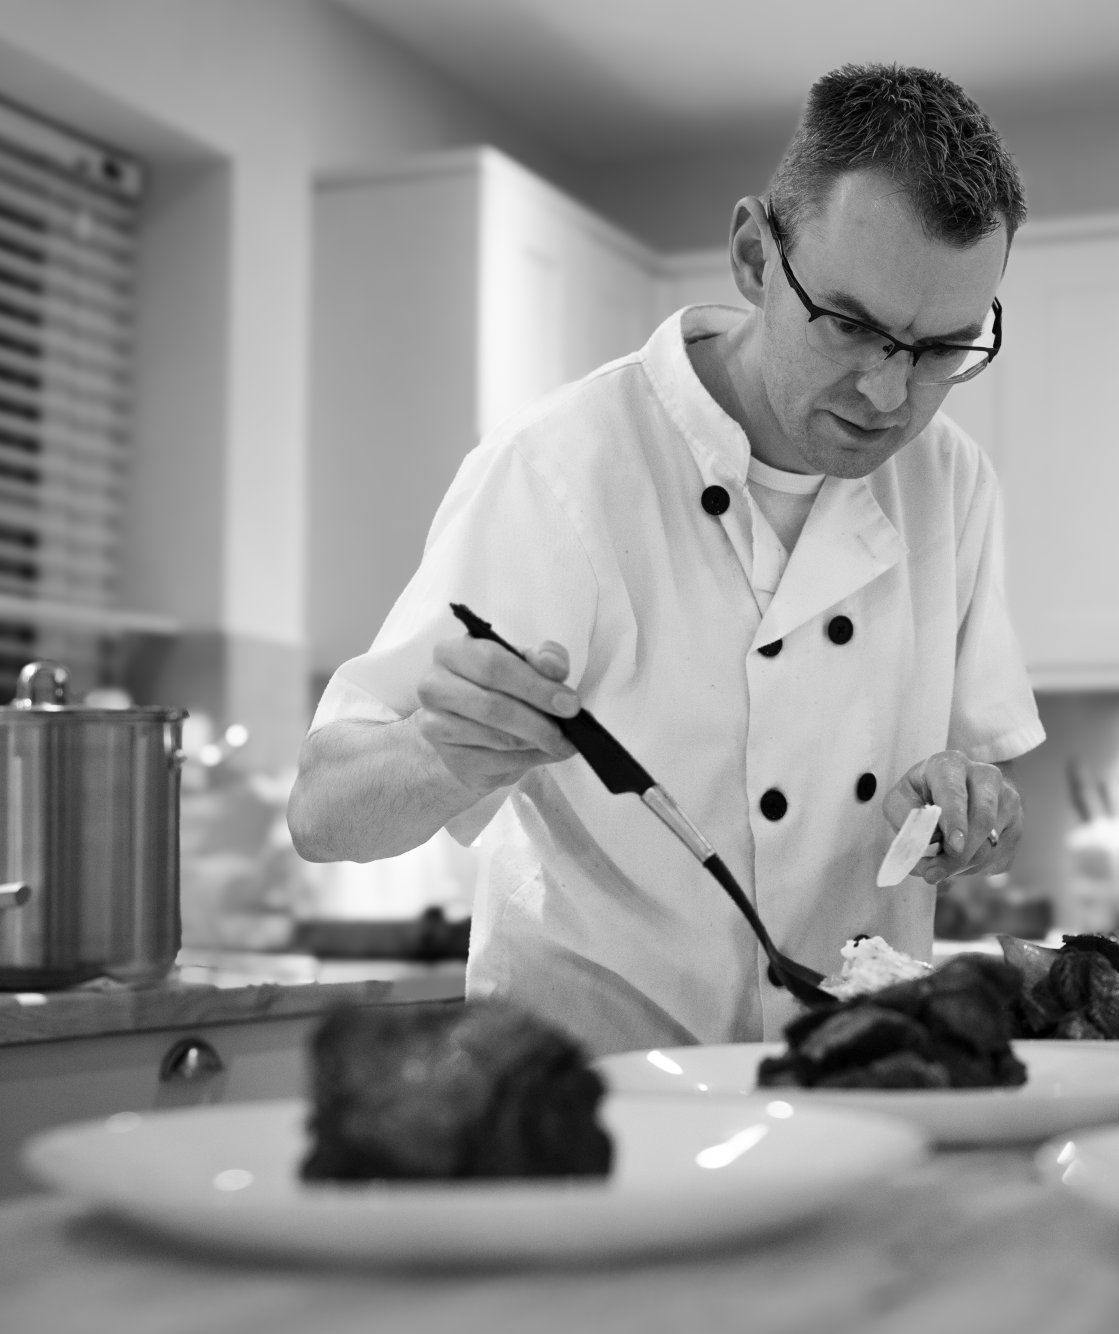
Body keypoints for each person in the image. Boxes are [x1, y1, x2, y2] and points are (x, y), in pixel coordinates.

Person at [287, 64, 1043, 1055]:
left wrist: (966, 807)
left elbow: (967, 784)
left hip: (850, 1078)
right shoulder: (565, 466)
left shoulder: (951, 481)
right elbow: (323, 811)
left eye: (941, 347)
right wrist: (442, 750)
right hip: (594, 1094)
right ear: (752, 256)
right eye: (853, 326)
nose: (888, 392)